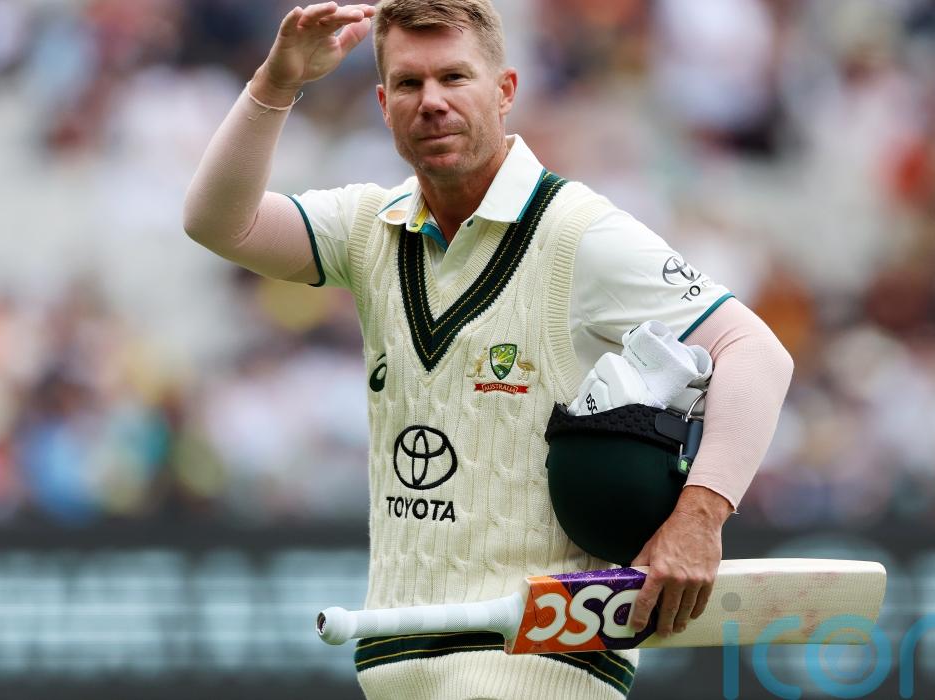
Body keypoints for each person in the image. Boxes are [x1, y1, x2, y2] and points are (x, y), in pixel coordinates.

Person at [183, 2, 793, 697]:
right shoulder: (367, 227)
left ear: (504, 91)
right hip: (397, 663)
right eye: (409, 83)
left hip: (537, 661)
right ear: (383, 104)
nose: (431, 101)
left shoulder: (578, 233)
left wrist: (700, 516)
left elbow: (754, 350)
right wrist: (277, 83)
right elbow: (217, 222)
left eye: (454, 77)